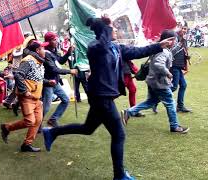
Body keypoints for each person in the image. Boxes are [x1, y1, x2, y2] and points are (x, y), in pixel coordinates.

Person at [42, 17, 175, 180]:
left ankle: (52, 132)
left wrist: (159, 45)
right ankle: (119, 176)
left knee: (88, 128)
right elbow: (102, 44)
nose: (117, 31)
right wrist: (103, 25)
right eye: (113, 29)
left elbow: (138, 51)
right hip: (101, 97)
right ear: (105, 31)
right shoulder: (95, 47)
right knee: (119, 135)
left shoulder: (116, 47)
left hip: (103, 97)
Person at [122, 30, 189, 134]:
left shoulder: (160, 48)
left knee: (151, 101)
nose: (175, 42)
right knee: (170, 103)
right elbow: (158, 64)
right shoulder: (164, 51)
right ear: (169, 40)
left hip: (153, 81)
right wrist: (168, 73)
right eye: (174, 40)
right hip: (160, 83)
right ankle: (174, 126)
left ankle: (129, 112)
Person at [0, 41, 48, 152]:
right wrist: (24, 91)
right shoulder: (29, 61)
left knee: (37, 121)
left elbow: (36, 79)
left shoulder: (38, 62)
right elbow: (18, 74)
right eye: (42, 48)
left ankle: (27, 144)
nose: (44, 51)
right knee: (30, 121)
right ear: (37, 50)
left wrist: (48, 81)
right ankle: (7, 127)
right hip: (28, 97)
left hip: (36, 98)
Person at [43, 32, 78, 127]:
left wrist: (68, 52)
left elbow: (60, 61)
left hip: (55, 82)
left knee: (65, 100)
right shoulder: (45, 54)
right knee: (46, 108)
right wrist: (70, 71)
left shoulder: (54, 51)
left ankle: (53, 119)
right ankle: (36, 125)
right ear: (48, 41)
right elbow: (54, 69)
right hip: (48, 83)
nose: (57, 41)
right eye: (54, 40)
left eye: (56, 39)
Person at [171, 25, 192, 113]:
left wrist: (186, 57)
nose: (184, 30)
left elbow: (183, 52)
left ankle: (180, 106)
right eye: (182, 28)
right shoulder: (175, 38)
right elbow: (171, 52)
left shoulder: (184, 40)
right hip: (174, 65)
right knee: (174, 86)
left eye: (185, 29)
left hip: (179, 65)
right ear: (179, 29)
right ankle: (154, 100)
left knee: (183, 85)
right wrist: (179, 44)